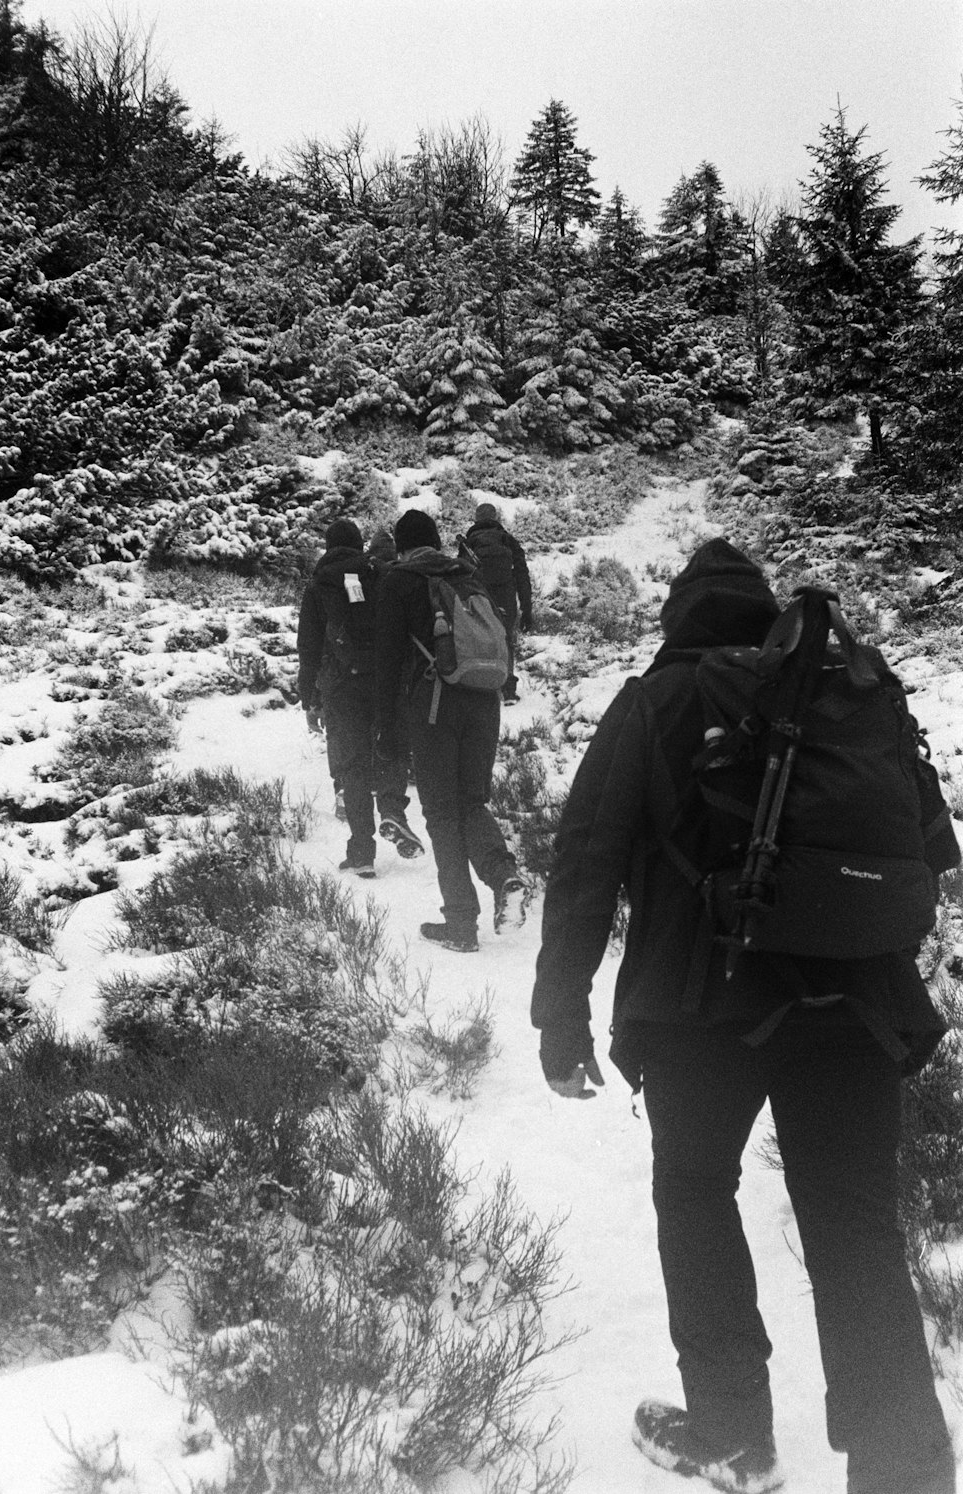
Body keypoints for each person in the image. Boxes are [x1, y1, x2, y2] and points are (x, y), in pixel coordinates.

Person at [531, 538, 958, 1494]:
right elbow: (936, 848)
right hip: (854, 1000)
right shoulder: (839, 695)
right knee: (855, 1232)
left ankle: (732, 1432)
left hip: (700, 1008)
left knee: (695, 1195)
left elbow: (585, 867)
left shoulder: (652, 702)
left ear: (676, 617)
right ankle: (904, 1470)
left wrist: (560, 1016)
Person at [374, 508, 527, 951]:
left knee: (441, 812)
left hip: (436, 706)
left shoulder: (399, 581)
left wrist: (387, 731)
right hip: (485, 700)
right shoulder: (468, 574)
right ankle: (504, 876)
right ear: (436, 540)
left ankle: (461, 925)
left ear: (402, 547)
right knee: (471, 801)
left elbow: (387, 663)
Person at [297, 517, 424, 878]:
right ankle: (391, 810)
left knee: (351, 766)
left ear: (328, 545)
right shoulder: (383, 574)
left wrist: (308, 697)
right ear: (360, 544)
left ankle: (362, 853)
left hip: (341, 688)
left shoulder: (320, 584)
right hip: (387, 681)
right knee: (391, 747)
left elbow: (308, 646)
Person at [461, 501, 533, 704]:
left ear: (476, 519)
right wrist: (527, 609)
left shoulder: (468, 543)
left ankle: (482, 684)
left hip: (480, 597)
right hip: (506, 597)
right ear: (495, 519)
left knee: (480, 638)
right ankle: (508, 688)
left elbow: (461, 577)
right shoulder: (508, 540)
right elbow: (522, 576)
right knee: (506, 639)